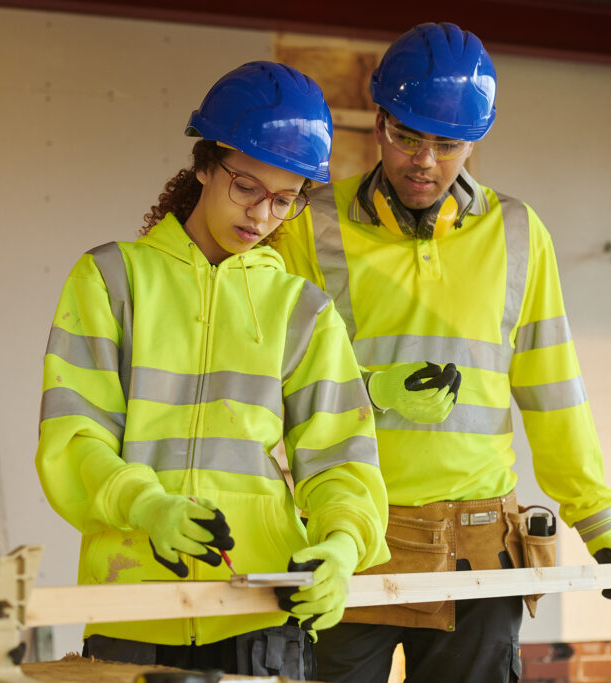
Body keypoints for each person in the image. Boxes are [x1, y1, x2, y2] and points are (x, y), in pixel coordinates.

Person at [275, 23, 611, 683]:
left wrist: (602, 527)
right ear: (378, 123)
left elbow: (555, 391)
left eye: (447, 143)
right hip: (349, 540)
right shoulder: (310, 225)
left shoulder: (518, 235)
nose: (424, 161)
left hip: (477, 548)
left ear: (474, 141)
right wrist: (370, 389)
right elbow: (274, 382)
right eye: (407, 136)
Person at [35, 61, 390, 680]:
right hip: (132, 606)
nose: (261, 215)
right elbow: (73, 438)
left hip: (262, 612)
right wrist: (147, 507)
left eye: (284, 200)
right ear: (204, 164)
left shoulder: (300, 310)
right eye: (246, 186)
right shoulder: (110, 281)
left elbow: (341, 461)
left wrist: (341, 544)